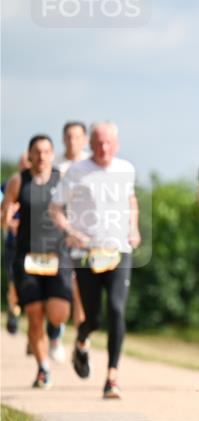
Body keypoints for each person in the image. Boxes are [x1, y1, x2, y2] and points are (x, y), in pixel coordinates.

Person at [50, 122, 140, 399]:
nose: (104, 148)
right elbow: (56, 209)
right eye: (99, 143)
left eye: (109, 143)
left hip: (118, 251)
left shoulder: (126, 169)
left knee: (116, 309)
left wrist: (133, 227)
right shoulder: (75, 171)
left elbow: (131, 201)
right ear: (91, 143)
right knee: (94, 319)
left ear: (117, 144)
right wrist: (70, 232)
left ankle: (112, 377)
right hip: (86, 254)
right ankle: (81, 341)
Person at [1, 135, 72, 388]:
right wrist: (8, 219)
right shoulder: (18, 181)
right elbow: (4, 215)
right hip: (27, 258)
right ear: (29, 155)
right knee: (34, 315)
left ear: (53, 154)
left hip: (57, 256)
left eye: (46, 151)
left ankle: (56, 332)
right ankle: (43, 369)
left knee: (57, 314)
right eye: (36, 152)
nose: (41, 156)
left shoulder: (62, 181)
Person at [55, 120, 91, 345]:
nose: (72, 141)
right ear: (63, 138)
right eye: (68, 136)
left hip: (83, 233)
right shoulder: (55, 165)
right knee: (61, 285)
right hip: (56, 232)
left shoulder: (91, 164)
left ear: (85, 139)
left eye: (77, 136)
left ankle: (82, 339)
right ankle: (55, 327)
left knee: (81, 287)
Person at [2, 153, 30, 336]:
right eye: (23, 162)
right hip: (14, 245)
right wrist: (12, 224)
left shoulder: (44, 185)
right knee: (14, 282)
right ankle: (14, 313)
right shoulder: (6, 186)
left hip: (38, 246)